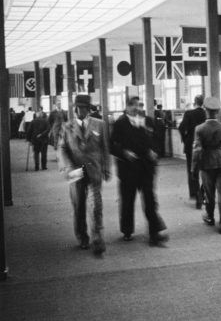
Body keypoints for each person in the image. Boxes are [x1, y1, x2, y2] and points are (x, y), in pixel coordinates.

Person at [110, 96, 168, 244]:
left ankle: (154, 232)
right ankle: (127, 230)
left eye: (138, 104)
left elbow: (157, 140)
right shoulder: (120, 123)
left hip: (146, 168)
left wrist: (155, 152)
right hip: (128, 169)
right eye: (132, 105)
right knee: (128, 201)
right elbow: (111, 145)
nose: (135, 107)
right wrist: (124, 153)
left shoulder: (148, 121)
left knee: (150, 200)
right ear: (126, 106)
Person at [58, 95, 111, 255]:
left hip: (94, 171)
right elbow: (62, 148)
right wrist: (69, 167)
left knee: (96, 207)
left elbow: (105, 148)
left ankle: (97, 239)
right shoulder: (67, 126)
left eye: (80, 107)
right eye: (75, 107)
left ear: (88, 109)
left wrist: (106, 168)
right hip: (76, 173)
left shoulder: (100, 125)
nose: (76, 110)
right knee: (79, 207)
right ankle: (82, 237)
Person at [192, 97, 221, 233]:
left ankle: (210, 217)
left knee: (209, 193)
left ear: (205, 110)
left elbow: (197, 150)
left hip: (207, 163)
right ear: (217, 111)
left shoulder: (200, 128)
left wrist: (194, 168)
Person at [178, 95, 207, 209]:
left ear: (194, 102)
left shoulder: (189, 113)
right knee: (206, 171)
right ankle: (203, 192)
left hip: (191, 145)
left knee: (192, 170)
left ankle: (196, 195)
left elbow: (181, 127)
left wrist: (185, 139)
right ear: (203, 103)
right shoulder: (207, 113)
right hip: (205, 146)